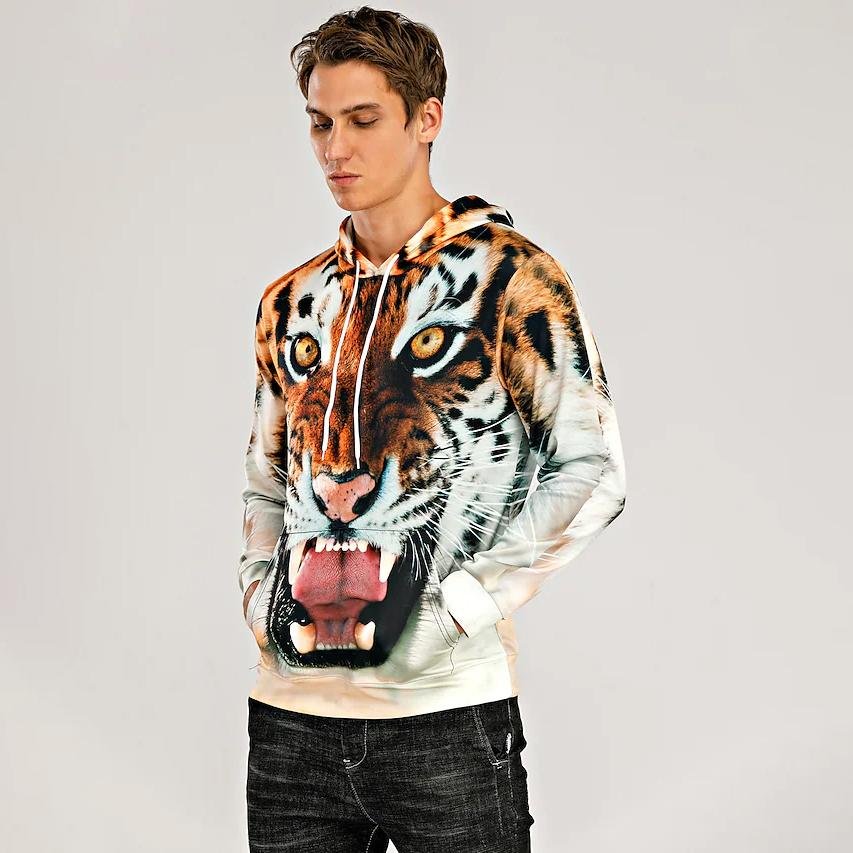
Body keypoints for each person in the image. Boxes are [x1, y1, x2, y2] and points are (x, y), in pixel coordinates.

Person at [237, 7, 627, 851]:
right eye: (320, 123)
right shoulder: (290, 299)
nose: (335, 149)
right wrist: (256, 596)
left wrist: (459, 608)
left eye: (362, 120)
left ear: (426, 119)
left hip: (443, 721)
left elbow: (592, 468)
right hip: (291, 724)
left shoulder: (510, 275)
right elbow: (269, 478)